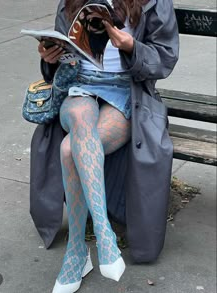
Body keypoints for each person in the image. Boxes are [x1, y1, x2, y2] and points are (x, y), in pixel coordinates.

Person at [36, 0, 179, 292]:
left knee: (68, 150)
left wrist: (131, 47)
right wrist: (49, 58)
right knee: (78, 115)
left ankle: (77, 252)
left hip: (125, 90)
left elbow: (165, 57)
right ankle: (105, 237)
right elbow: (61, 52)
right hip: (80, 87)